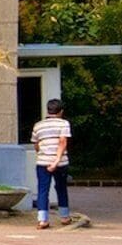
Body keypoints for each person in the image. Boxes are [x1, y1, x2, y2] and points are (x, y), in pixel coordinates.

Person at [31, 96, 81, 230]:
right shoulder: (64, 124)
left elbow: (36, 144)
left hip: (43, 162)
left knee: (42, 190)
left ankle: (42, 220)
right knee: (61, 188)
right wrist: (56, 160)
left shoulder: (38, 125)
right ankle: (64, 216)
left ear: (48, 110)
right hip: (61, 162)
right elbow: (63, 142)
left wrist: (43, 154)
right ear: (61, 111)